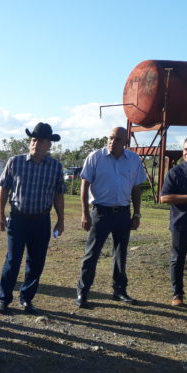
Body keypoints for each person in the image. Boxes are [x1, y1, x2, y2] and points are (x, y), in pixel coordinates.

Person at [0, 123, 66, 314]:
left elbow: (58, 194)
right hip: (18, 219)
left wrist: (61, 219)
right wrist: (0, 214)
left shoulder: (55, 167)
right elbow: (3, 189)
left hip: (41, 220)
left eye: (40, 141)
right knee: (12, 260)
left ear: (49, 145)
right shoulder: (15, 162)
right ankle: (4, 299)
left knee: (36, 262)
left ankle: (26, 298)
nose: (35, 144)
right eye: (33, 140)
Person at [76, 126, 145, 308]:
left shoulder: (133, 160)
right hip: (101, 213)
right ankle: (83, 292)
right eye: (110, 138)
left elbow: (136, 188)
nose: (113, 142)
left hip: (123, 213)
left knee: (120, 254)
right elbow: (84, 186)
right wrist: (84, 212)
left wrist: (136, 213)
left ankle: (119, 290)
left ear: (126, 143)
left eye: (117, 139)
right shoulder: (95, 157)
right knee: (92, 254)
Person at [159, 134, 187, 310]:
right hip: (181, 224)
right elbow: (164, 198)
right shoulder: (175, 172)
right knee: (177, 259)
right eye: (185, 149)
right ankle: (177, 294)